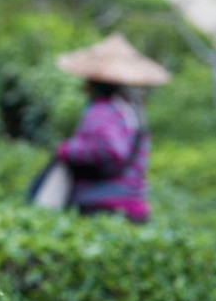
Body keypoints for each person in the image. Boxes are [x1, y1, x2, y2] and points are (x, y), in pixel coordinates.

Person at [54, 33, 171, 223]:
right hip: (134, 206)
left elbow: (111, 149)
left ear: (93, 83)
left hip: (104, 206)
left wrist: (67, 150)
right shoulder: (132, 111)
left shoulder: (102, 110)